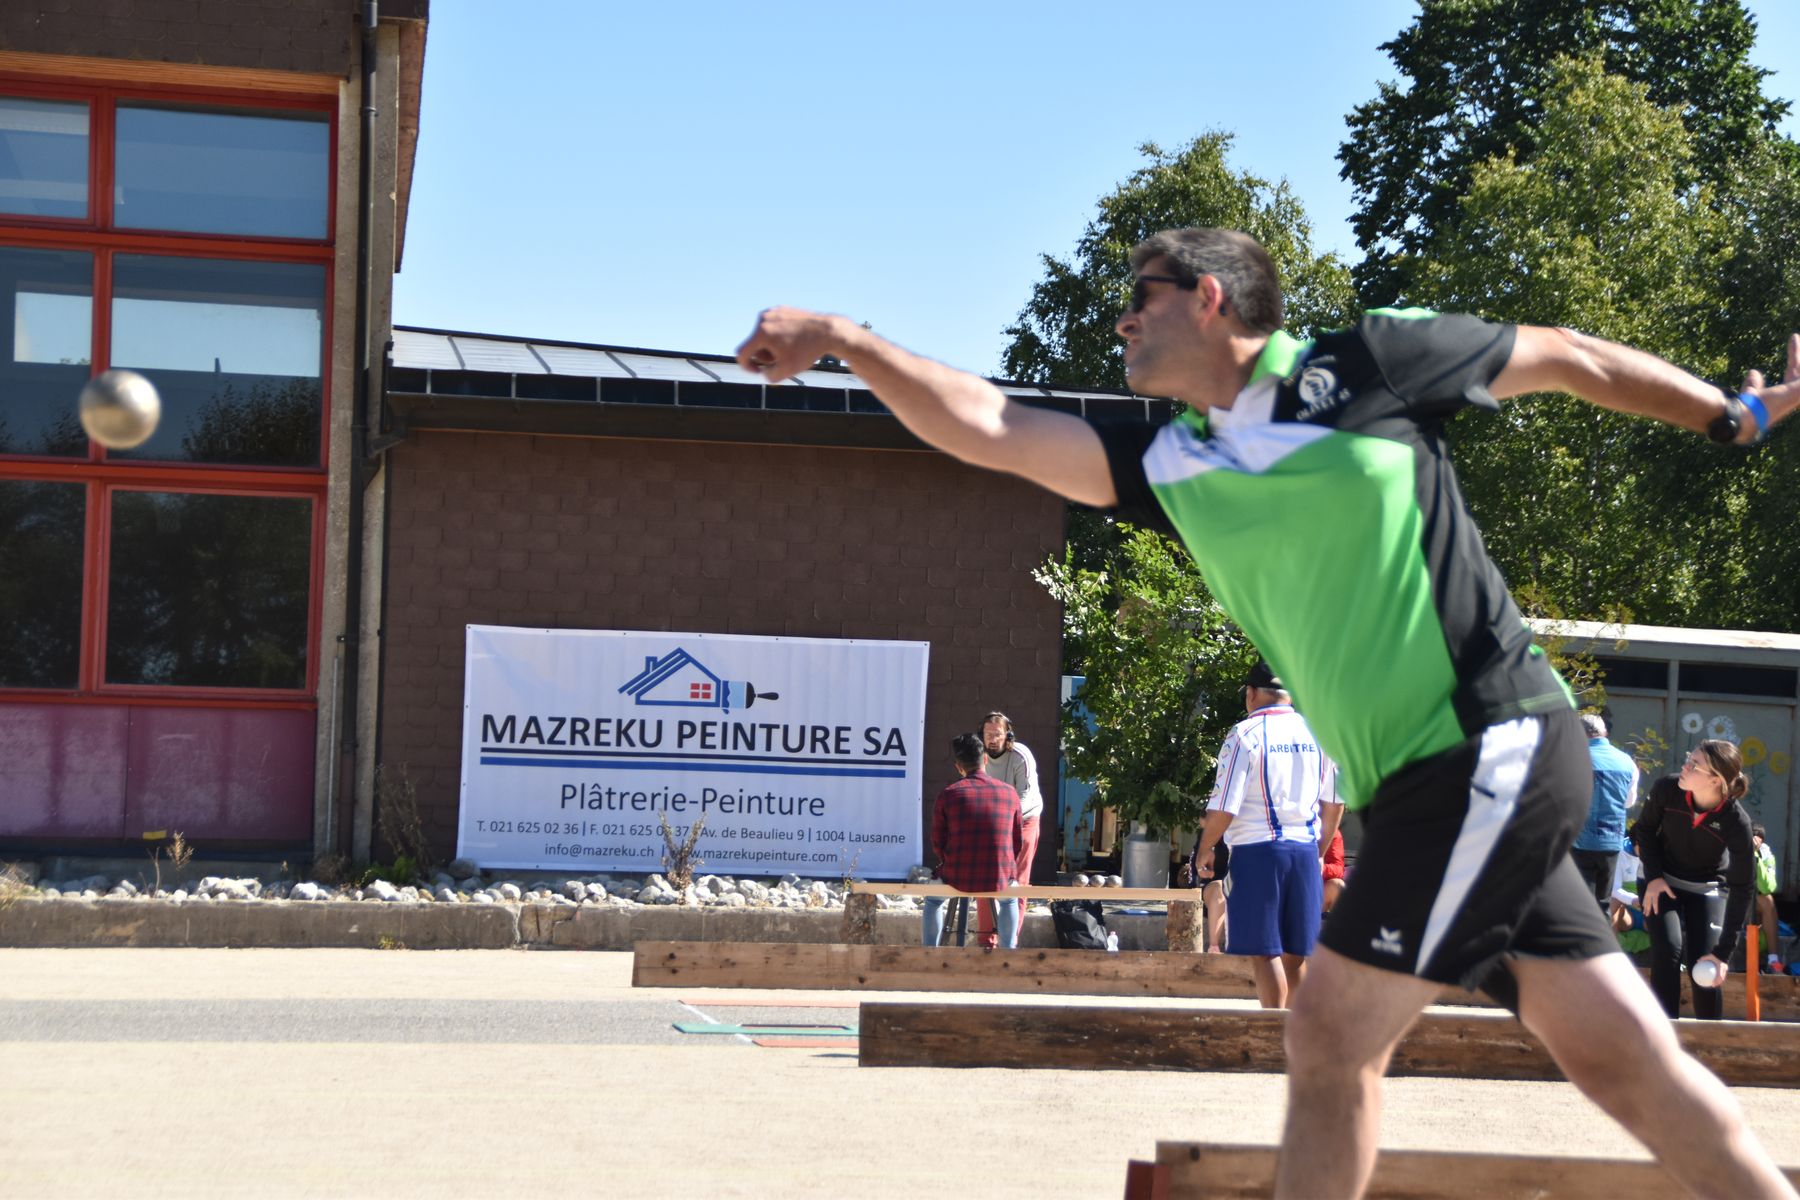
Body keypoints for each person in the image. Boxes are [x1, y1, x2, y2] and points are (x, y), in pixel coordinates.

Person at [737, 225, 1800, 1199]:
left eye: (1140, 297)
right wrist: (849, 342)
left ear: (1209, 298)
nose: (1122, 320)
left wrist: (1734, 413)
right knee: (1622, 1058)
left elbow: (1565, 353)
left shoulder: (1371, 363)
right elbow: (991, 424)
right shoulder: (1173, 461)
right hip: (1416, 790)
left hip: (1489, 744)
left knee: (1330, 1031)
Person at [1189, 661, 1342, 1008]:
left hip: (1258, 850)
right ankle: (1296, 1033)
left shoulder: (1245, 734)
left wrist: (1206, 847)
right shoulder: (1319, 733)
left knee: (1265, 951)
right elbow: (1335, 803)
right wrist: (1319, 850)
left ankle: (1273, 1028)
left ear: (1252, 693)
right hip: (1304, 849)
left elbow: (1225, 805)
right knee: (1296, 953)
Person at [1636, 742, 1756, 1021]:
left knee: (1705, 967)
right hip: (1661, 880)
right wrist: (1654, 878)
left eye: (1694, 765)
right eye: (1688, 759)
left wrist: (1723, 954)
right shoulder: (1667, 788)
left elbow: (1743, 887)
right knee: (1668, 950)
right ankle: (1665, 1035)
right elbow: (1645, 829)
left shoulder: (1737, 821)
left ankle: (1709, 1040)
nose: (1685, 766)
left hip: (1707, 888)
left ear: (1715, 780)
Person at [921, 732, 1023, 950]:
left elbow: (938, 841)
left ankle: (929, 953)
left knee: (932, 901)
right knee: (1010, 899)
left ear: (959, 767)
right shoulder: (1010, 793)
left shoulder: (948, 795)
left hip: (958, 874)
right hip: (999, 874)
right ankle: (1009, 953)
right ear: (985, 759)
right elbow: (1017, 841)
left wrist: (949, 861)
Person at [979, 712, 1041, 942]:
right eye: (988, 734)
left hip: (1024, 819)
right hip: (994, 821)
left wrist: (1004, 820)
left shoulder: (1020, 756)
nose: (992, 739)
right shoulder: (979, 756)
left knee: (1017, 881)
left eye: (997, 734)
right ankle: (987, 940)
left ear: (1008, 735)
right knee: (984, 878)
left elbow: (1025, 796)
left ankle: (1009, 941)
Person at [1571, 712, 1641, 910]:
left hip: (1579, 842)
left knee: (1578, 906)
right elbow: (1629, 802)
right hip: (1611, 842)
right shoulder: (1627, 761)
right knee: (1603, 904)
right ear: (1604, 733)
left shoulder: (1573, 759)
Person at [1179, 831, 1230, 953]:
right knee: (1219, 888)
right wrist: (1203, 869)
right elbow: (1196, 873)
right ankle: (1214, 947)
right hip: (1211, 890)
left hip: (1236, 888)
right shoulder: (1208, 837)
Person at [1752, 822, 1783, 974]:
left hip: (1752, 902)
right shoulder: (1732, 847)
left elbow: (1767, 887)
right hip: (1732, 899)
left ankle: (1773, 961)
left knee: (1768, 901)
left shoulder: (1765, 854)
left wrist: (1755, 857)